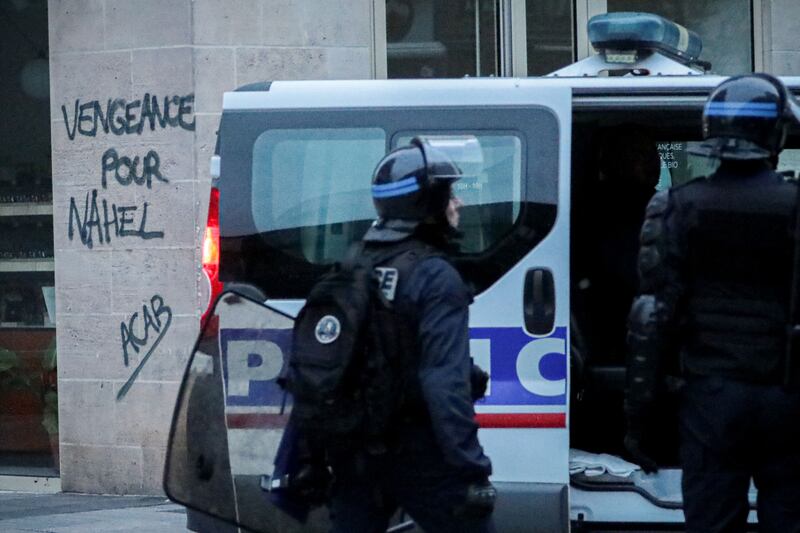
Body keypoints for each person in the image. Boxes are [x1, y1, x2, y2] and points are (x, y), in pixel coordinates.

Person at [624, 73, 800, 533]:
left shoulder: (677, 207)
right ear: (776, 134)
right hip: (788, 395)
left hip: (711, 398)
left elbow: (651, 320)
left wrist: (639, 419)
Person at [328, 137, 495, 533]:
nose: (459, 204)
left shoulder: (353, 262)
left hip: (354, 451)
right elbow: (444, 381)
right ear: (427, 205)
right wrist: (472, 467)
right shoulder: (435, 275)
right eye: (450, 195)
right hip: (420, 453)